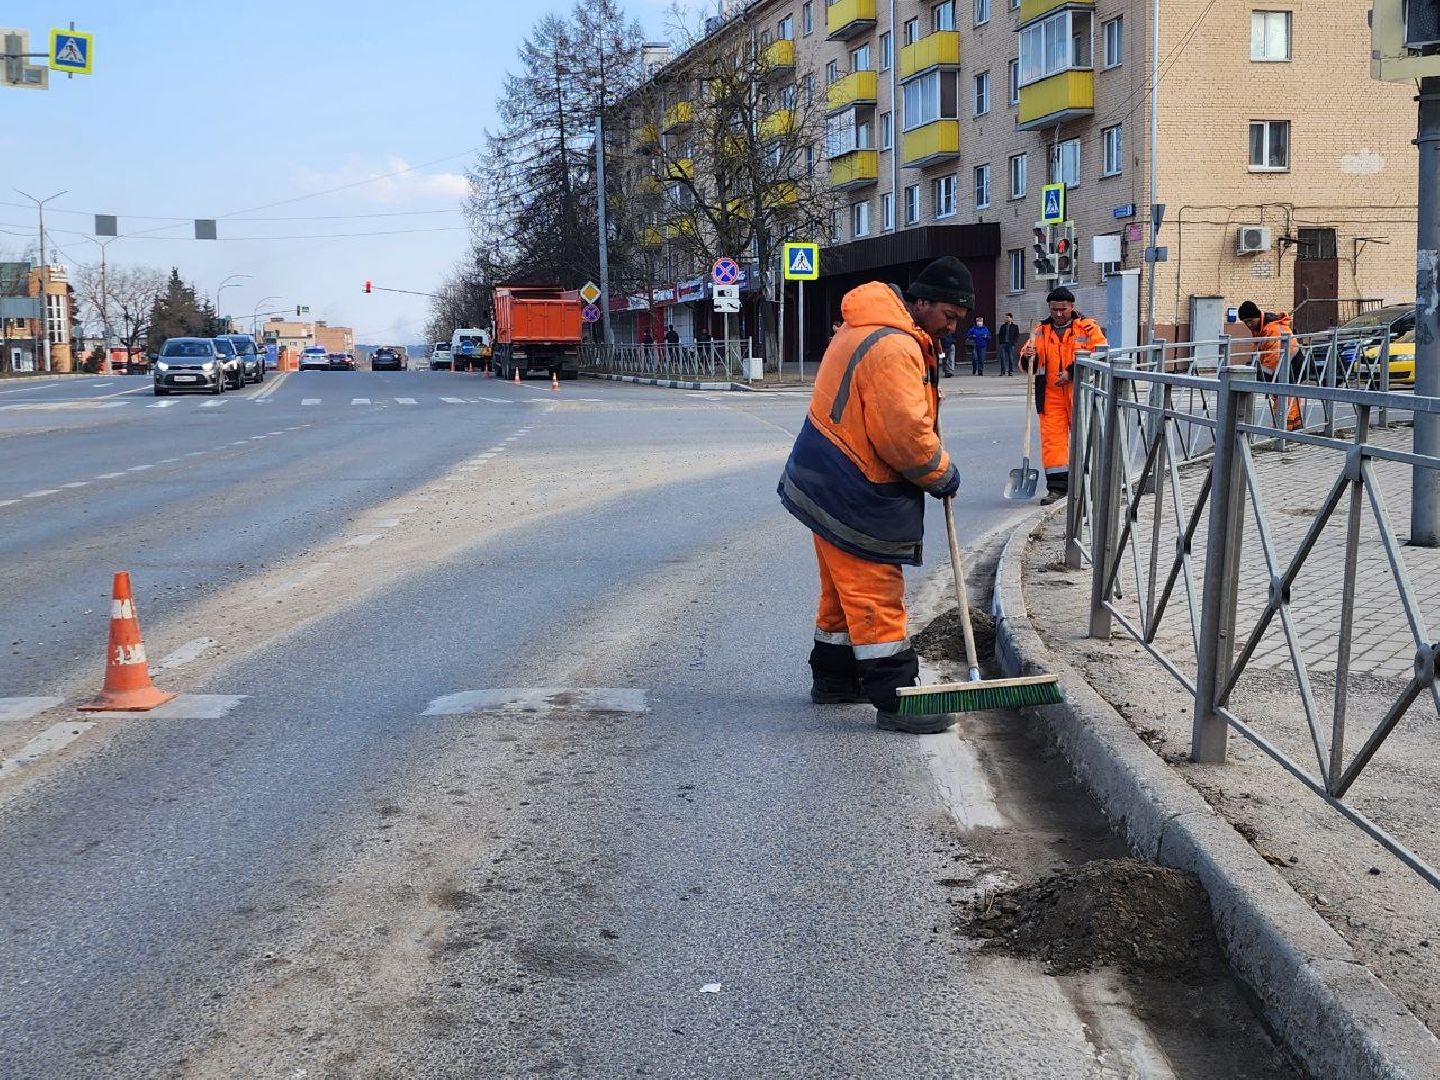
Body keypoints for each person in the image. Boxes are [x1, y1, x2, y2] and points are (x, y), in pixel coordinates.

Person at [777, 256, 971, 735]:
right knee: (874, 592)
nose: (952, 327)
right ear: (921, 302)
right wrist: (941, 473)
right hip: (854, 488)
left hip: (826, 480)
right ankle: (897, 698)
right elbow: (903, 437)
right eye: (949, 315)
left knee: (840, 595)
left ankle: (837, 679)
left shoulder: (871, 328)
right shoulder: (892, 345)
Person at [1019, 286, 1108, 504]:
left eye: (1063, 309)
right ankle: (1058, 488)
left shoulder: (1087, 328)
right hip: (1050, 396)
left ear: (1072, 307)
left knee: (1086, 437)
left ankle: (1090, 483)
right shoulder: (1040, 331)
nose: (1058, 313)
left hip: (1081, 391)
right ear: (1049, 308)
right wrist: (1029, 357)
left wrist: (1071, 371)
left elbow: (1101, 353)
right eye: (1054, 309)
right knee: (1053, 442)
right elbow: (1026, 363)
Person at [1238, 300, 1303, 431]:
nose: (1249, 325)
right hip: (1290, 361)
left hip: (1288, 363)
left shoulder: (1271, 329)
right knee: (1289, 395)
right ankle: (1293, 427)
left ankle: (1283, 430)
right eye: (1245, 322)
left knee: (1283, 395)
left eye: (1250, 321)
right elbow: (1262, 351)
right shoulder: (1263, 327)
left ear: (1258, 316)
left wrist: (1259, 375)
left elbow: (1272, 359)